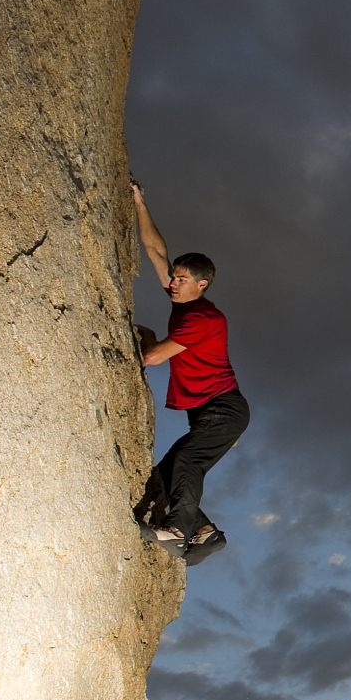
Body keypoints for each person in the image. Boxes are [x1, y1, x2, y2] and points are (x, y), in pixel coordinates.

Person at [130, 178, 247, 563]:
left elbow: (153, 357)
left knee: (186, 462)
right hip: (209, 413)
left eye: (181, 280)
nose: (173, 284)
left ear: (202, 284)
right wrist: (139, 203)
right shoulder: (184, 303)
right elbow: (154, 249)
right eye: (174, 277)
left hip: (223, 410)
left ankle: (177, 530)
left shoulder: (202, 319)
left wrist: (145, 333)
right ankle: (205, 534)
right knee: (167, 474)